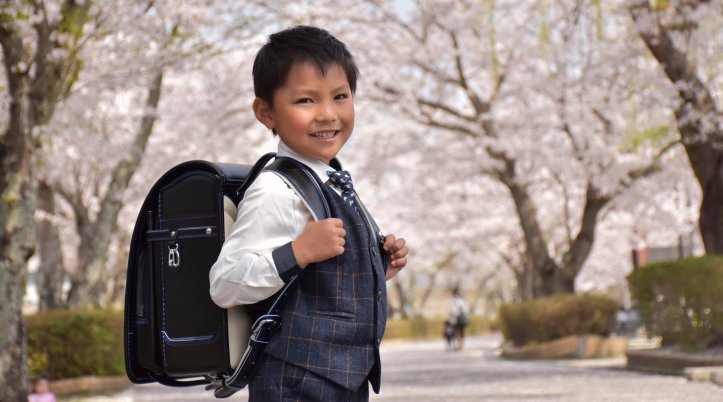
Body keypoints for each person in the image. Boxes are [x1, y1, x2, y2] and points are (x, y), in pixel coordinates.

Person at [209, 25, 409, 401]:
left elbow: (319, 283)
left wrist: (376, 269)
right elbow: (225, 283)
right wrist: (298, 252)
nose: (327, 114)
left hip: (342, 380)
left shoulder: (331, 178)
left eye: (340, 96)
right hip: (295, 381)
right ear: (266, 112)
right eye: (306, 101)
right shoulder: (275, 189)